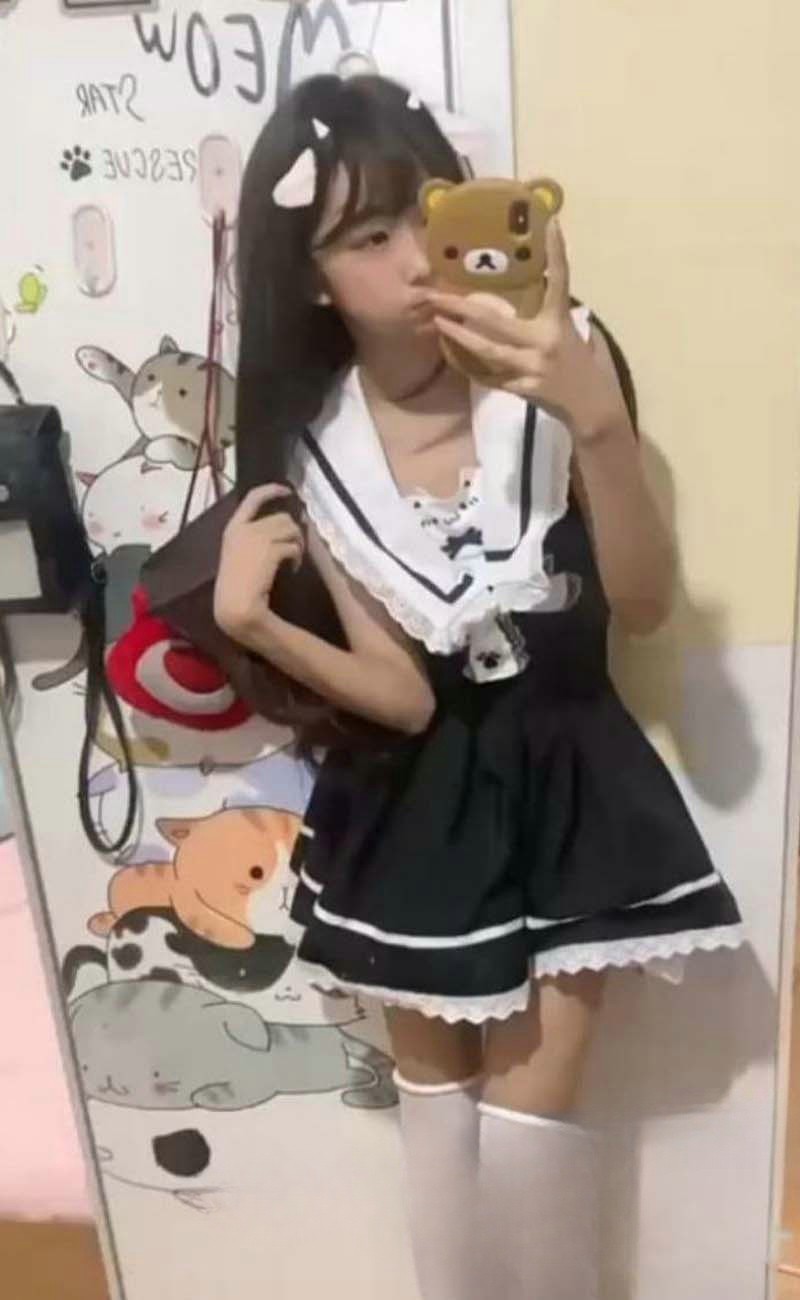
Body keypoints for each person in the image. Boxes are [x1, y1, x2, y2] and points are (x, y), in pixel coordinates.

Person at [214, 73, 744, 1300]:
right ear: (311, 277)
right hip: (410, 800)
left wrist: (595, 419)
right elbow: (399, 696)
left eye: (426, 214)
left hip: (565, 770)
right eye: (366, 237)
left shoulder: (557, 362)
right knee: (438, 1118)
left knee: (526, 1129)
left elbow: (643, 604)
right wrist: (253, 622)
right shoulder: (319, 446)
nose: (414, 261)